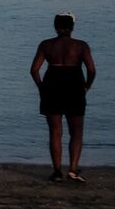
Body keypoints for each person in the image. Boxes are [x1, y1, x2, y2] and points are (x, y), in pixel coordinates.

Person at [30, 12, 96, 182]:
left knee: (55, 132)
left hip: (52, 84)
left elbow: (34, 70)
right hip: (74, 85)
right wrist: (87, 86)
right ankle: (73, 169)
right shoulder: (81, 46)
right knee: (77, 132)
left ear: (55, 26)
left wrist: (41, 88)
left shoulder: (46, 45)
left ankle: (57, 171)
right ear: (72, 27)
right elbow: (91, 70)